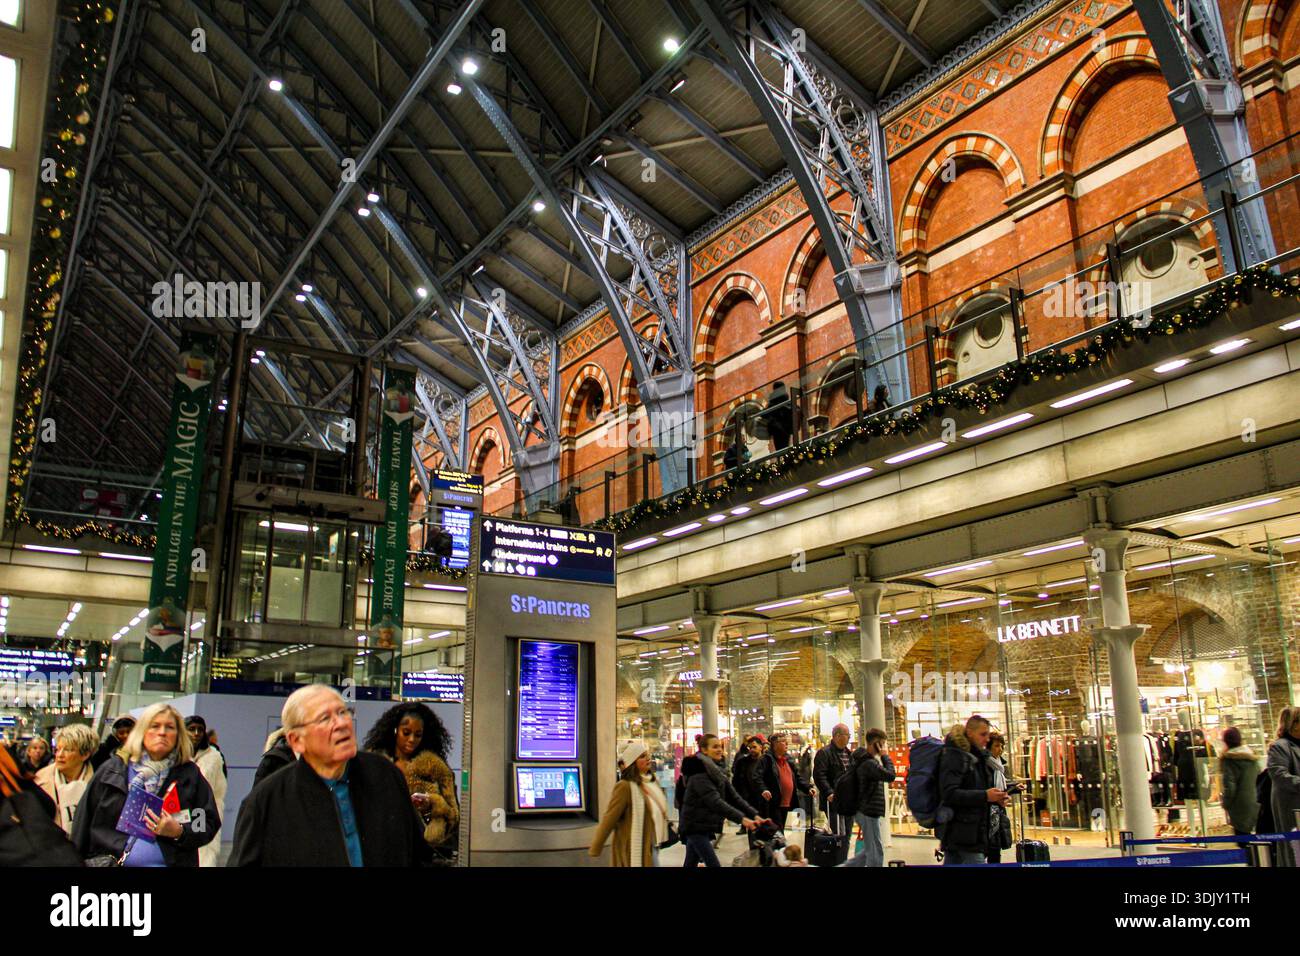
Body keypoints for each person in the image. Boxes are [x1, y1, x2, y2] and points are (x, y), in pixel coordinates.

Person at [229, 685, 428, 866]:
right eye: (325, 718)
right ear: (296, 740)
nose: (341, 723)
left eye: (343, 712)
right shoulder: (266, 803)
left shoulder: (385, 776)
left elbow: (419, 855)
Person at [71, 702, 219, 867]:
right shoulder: (112, 771)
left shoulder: (189, 774)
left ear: (178, 735)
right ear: (141, 731)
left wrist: (179, 831)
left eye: (170, 727)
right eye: (154, 726)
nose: (162, 732)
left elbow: (206, 822)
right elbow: (82, 823)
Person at [362, 701, 459, 854]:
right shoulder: (374, 764)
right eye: (406, 732)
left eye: (418, 735)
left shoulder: (437, 770)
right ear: (395, 730)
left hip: (420, 851)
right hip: (381, 848)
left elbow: (452, 818)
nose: (412, 739)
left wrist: (431, 804)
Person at [678, 733, 764, 867]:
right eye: (715, 747)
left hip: (703, 826)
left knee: (690, 863)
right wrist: (743, 819)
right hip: (695, 827)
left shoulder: (717, 771)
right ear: (704, 750)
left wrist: (755, 815)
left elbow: (734, 797)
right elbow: (716, 802)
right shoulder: (698, 773)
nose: (719, 750)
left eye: (720, 746)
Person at [937, 715, 1007, 866]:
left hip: (969, 832)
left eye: (988, 734)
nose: (987, 739)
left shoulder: (978, 758)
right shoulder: (955, 756)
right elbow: (949, 793)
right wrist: (985, 796)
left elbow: (976, 789)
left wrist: (994, 798)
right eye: (983, 734)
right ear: (969, 732)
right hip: (963, 833)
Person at [589, 740, 669, 867]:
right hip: (633, 846)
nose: (648, 758)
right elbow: (610, 818)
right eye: (642, 756)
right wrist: (596, 847)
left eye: (647, 755)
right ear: (633, 762)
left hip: (652, 842)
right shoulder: (624, 787)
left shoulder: (652, 782)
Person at [840, 728, 894, 867]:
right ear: (875, 743)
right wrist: (885, 756)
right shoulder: (868, 764)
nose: (883, 747)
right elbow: (890, 775)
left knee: (868, 850)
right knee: (875, 851)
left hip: (866, 810)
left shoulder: (865, 760)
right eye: (881, 743)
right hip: (867, 810)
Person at [34, 724, 97, 834]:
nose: (59, 755)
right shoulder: (40, 779)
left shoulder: (98, 783)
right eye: (57, 749)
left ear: (85, 754)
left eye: (68, 750)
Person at [185, 716, 227, 867]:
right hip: (179, 811)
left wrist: (214, 811)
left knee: (203, 852)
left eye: (200, 730)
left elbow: (220, 789)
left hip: (201, 810)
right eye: (191, 729)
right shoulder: (177, 755)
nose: (196, 733)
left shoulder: (214, 757)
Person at [761, 731, 815, 832]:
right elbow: (758, 778)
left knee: (791, 833)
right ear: (775, 744)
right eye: (783, 741)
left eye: (787, 741)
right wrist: (764, 790)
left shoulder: (788, 759)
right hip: (775, 804)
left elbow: (797, 778)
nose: (786, 744)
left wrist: (807, 788)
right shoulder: (766, 759)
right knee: (778, 834)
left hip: (790, 804)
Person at [1267, 707, 1300, 867]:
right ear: (1293, 725)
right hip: (1292, 807)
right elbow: (1280, 776)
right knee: (1294, 853)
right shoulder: (1280, 746)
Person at [1218, 726, 1259, 843]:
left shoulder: (1229, 760)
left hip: (1239, 805)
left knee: (1242, 841)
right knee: (1256, 840)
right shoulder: (1252, 757)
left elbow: (1230, 787)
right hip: (1255, 801)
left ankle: (1250, 860)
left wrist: (1225, 803)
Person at [985, 732, 1019, 863]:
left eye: (1002, 746)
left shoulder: (1000, 765)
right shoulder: (984, 765)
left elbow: (1001, 788)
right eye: (997, 746)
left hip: (998, 811)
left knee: (995, 850)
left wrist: (1015, 788)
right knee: (986, 850)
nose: (1000, 749)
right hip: (987, 813)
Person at [813, 724, 853, 823]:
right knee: (837, 831)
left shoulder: (849, 754)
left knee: (847, 831)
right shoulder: (824, 753)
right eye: (847, 734)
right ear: (837, 736)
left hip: (848, 801)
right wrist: (829, 792)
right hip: (833, 801)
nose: (849, 737)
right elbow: (819, 775)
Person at [764, 381, 794, 450]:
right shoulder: (786, 398)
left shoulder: (773, 399)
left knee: (779, 448)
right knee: (785, 446)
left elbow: (767, 412)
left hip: (776, 428)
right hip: (786, 428)